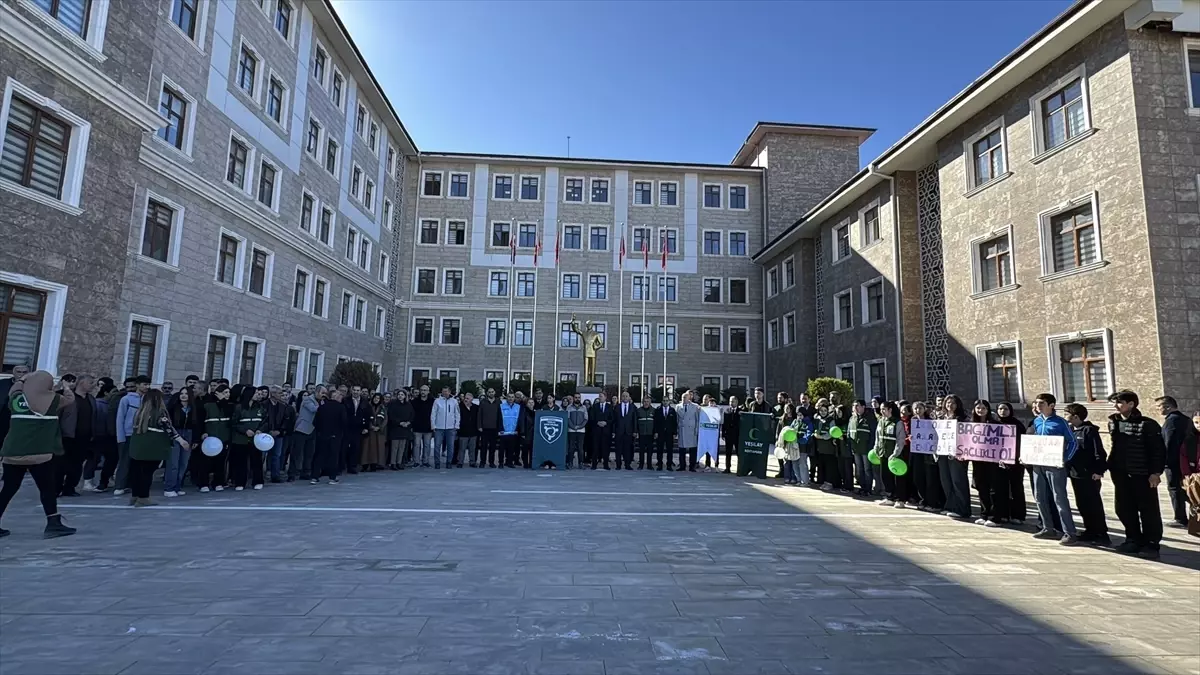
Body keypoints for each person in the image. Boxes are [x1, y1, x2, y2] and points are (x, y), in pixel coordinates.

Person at [0, 370, 77, 538]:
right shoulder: (53, 400)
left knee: (8, 489)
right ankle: (53, 523)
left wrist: (22, 380)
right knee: (47, 489)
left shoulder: (16, 398)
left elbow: (15, 389)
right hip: (39, 454)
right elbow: (70, 400)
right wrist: (65, 387)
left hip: (12, 452)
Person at [1107, 390, 1166, 559]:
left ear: (1131, 404)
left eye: (1119, 402)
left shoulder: (1148, 424)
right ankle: (1133, 538)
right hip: (1121, 473)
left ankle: (1151, 543)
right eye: (1114, 402)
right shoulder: (1114, 422)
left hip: (1142, 473)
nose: (1115, 406)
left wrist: (1155, 472)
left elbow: (1158, 451)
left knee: (1148, 510)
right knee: (1123, 508)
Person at [1030, 393, 1079, 545]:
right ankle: (1047, 527)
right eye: (1037, 403)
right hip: (1038, 464)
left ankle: (1069, 532)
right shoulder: (1037, 421)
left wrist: (1064, 459)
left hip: (1055, 465)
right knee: (1039, 496)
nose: (1038, 406)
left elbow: (1073, 442)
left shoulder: (1061, 422)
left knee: (1059, 498)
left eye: (1042, 403)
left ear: (1051, 405)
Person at [127, 389, 188, 507]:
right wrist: (181, 441)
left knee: (137, 472)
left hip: (138, 448)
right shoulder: (159, 413)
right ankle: (144, 497)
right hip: (153, 448)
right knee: (147, 473)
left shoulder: (140, 413)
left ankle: (135, 496)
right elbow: (168, 428)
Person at [1064, 403, 1110, 545]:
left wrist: (1098, 471)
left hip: (1089, 474)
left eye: (1067, 414)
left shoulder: (1089, 431)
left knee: (1093, 504)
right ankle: (1089, 530)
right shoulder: (1071, 430)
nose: (1065, 417)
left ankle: (1101, 533)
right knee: (1082, 504)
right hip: (1075, 473)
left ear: (1075, 416)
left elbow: (1099, 452)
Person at [1157, 396, 1198, 529]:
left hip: (1174, 462)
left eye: (1159, 406)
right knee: (1189, 488)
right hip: (1186, 461)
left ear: (1168, 407)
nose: (1157, 409)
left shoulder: (1171, 422)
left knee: (1175, 489)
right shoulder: (1185, 419)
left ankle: (1180, 518)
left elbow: (1168, 443)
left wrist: (1164, 462)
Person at [56, 374, 94, 497]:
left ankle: (70, 487)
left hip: (84, 438)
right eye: (90, 382)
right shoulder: (67, 397)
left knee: (77, 465)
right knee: (61, 464)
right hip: (68, 436)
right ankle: (56, 488)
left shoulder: (91, 399)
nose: (93, 385)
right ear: (82, 383)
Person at [113, 375, 150, 496]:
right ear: (138, 385)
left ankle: (132, 484)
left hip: (142, 435)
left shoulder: (148, 399)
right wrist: (120, 437)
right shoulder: (126, 399)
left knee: (138, 462)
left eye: (148, 384)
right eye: (144, 384)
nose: (146, 387)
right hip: (128, 434)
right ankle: (119, 485)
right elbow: (120, 418)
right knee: (124, 461)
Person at [164, 387, 202, 497]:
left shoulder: (193, 409)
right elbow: (168, 424)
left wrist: (195, 439)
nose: (183, 395)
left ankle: (178, 486)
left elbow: (196, 425)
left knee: (183, 463)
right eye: (182, 393)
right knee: (173, 463)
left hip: (189, 434)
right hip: (176, 434)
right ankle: (169, 487)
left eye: (186, 394)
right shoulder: (173, 408)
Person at [992, 402, 1026, 525]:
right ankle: (1003, 514)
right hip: (998, 463)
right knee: (1001, 489)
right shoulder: (994, 425)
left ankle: (1018, 515)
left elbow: (1022, 442)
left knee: (1016, 488)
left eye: (1005, 409)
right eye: (1000, 408)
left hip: (1015, 463)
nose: (1003, 411)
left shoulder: (1017, 425)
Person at [939, 395, 972, 520]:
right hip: (943, 453)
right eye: (948, 402)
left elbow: (968, 437)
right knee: (946, 480)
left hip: (958, 455)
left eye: (953, 403)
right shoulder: (941, 418)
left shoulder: (963, 419)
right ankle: (951, 506)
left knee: (958, 481)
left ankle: (963, 509)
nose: (950, 405)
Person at [83, 377, 118, 492]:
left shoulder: (111, 405)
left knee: (110, 459)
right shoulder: (98, 404)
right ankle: (87, 481)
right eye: (113, 393)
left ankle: (107, 478)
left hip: (108, 436)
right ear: (106, 393)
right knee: (94, 458)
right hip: (97, 436)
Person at [229, 386, 267, 491]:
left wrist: (260, 430)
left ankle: (258, 481)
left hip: (256, 439)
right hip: (240, 439)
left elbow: (265, 421)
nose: (258, 395)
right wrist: (245, 430)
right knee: (241, 462)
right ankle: (240, 482)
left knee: (257, 461)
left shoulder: (260, 407)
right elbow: (233, 423)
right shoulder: (239, 407)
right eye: (256, 393)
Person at [197, 384, 233, 492]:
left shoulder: (229, 405)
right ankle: (203, 483)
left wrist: (223, 401)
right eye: (225, 392)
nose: (227, 395)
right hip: (209, 437)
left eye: (228, 392)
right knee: (205, 462)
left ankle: (218, 482)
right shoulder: (207, 405)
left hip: (223, 437)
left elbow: (229, 414)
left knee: (220, 462)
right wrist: (202, 432)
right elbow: (200, 421)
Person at [970, 399, 998, 525]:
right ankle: (984, 513)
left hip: (992, 460)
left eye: (983, 408)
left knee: (993, 488)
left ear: (988, 410)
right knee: (981, 487)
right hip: (978, 460)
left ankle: (994, 516)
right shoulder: (970, 425)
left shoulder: (994, 424)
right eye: (978, 408)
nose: (980, 410)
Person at [911, 401, 943, 511]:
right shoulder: (913, 421)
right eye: (915, 408)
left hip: (928, 454)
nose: (917, 410)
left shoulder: (931, 421)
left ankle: (932, 502)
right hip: (917, 453)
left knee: (930, 479)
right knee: (917, 478)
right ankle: (923, 499)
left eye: (920, 408)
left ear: (924, 409)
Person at [312, 387, 346, 484]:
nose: (341, 397)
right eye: (339, 395)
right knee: (333, 456)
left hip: (322, 435)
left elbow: (315, 422)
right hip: (335, 435)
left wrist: (320, 431)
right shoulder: (341, 407)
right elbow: (344, 422)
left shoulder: (322, 407)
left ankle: (314, 477)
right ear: (335, 397)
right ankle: (332, 477)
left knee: (320, 456)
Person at [265, 385, 296, 482]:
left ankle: (275, 475)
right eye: (279, 393)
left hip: (279, 434)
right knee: (262, 455)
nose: (282, 395)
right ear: (273, 394)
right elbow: (263, 419)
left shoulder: (283, 406)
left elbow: (285, 420)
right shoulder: (263, 405)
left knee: (277, 455)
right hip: (265, 434)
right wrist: (268, 430)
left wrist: (280, 431)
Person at [848, 399, 876, 497]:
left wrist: (871, 447)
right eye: (854, 406)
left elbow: (873, 434)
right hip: (856, 448)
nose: (856, 408)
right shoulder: (852, 418)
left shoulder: (870, 418)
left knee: (867, 469)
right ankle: (862, 487)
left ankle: (868, 489)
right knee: (859, 469)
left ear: (863, 407)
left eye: (858, 406)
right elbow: (849, 433)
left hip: (866, 448)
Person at [0, 364, 31, 447]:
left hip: (21, 418)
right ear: (13, 373)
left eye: (24, 372)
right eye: (19, 372)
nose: (21, 374)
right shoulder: (3, 383)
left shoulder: (32, 386)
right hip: (3, 415)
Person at [292, 389, 319, 480]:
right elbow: (313, 409)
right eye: (322, 393)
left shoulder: (317, 401)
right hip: (302, 429)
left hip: (312, 429)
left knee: (309, 453)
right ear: (317, 392)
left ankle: (306, 472)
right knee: (297, 453)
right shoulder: (308, 399)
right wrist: (325, 405)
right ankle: (292, 473)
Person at [812, 399, 839, 490]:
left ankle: (829, 483)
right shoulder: (818, 419)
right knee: (822, 465)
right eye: (821, 411)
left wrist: (822, 437)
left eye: (825, 410)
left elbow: (832, 433)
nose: (823, 412)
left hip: (828, 447)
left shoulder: (831, 420)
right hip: (820, 447)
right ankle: (824, 482)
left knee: (829, 466)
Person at [430, 386, 459, 469]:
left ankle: (449, 462)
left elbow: (457, 414)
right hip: (439, 427)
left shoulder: (454, 401)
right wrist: (433, 425)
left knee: (450, 446)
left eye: (446, 391)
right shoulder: (437, 401)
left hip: (451, 428)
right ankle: (437, 462)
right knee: (437, 446)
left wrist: (456, 425)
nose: (445, 393)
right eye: (443, 391)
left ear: (449, 392)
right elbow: (433, 414)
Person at [343, 386, 370, 474]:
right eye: (354, 390)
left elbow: (367, 415)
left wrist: (366, 427)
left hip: (358, 428)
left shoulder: (364, 402)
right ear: (351, 391)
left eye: (358, 390)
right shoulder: (346, 400)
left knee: (356, 447)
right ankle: (342, 465)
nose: (356, 392)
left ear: (361, 391)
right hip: (347, 427)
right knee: (344, 447)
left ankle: (352, 466)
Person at [386, 389, 413, 470]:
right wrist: (399, 423)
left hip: (405, 429)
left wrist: (408, 422)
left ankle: (399, 462)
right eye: (399, 394)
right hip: (395, 428)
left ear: (405, 396)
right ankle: (393, 463)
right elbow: (391, 415)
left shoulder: (408, 405)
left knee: (402, 447)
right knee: (395, 447)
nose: (400, 396)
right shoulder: (393, 404)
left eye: (402, 394)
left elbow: (412, 414)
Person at [361, 393, 388, 471]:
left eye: (378, 398)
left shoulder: (382, 408)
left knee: (376, 449)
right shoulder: (368, 406)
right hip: (369, 431)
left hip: (378, 431)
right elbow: (365, 417)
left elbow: (385, 419)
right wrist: (371, 426)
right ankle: (365, 465)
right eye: (375, 398)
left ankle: (374, 465)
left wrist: (380, 427)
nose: (376, 400)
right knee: (366, 448)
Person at [676, 390, 701, 472]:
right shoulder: (678, 406)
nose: (683, 399)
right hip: (682, 429)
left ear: (689, 398)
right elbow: (677, 419)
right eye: (682, 397)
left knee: (692, 449)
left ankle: (692, 466)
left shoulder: (695, 406)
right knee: (681, 449)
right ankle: (682, 466)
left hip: (691, 429)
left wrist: (697, 429)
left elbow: (698, 419)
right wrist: (676, 430)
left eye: (685, 397)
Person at [612, 391, 636, 470]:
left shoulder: (633, 407)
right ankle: (618, 465)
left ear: (629, 398)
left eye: (626, 396)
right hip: (619, 432)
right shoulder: (617, 407)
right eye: (623, 396)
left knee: (627, 449)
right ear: (621, 398)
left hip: (628, 432)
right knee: (618, 449)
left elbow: (634, 420)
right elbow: (614, 420)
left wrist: (635, 431)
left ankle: (627, 465)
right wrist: (613, 431)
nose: (625, 398)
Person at [589, 392, 613, 470]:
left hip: (606, 431)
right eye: (599, 396)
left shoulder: (610, 407)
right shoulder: (595, 406)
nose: (600, 398)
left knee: (605, 448)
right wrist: (597, 422)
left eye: (601, 396)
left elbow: (612, 418)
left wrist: (606, 422)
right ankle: (594, 465)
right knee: (595, 448)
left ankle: (606, 464)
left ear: (605, 397)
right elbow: (591, 417)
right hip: (597, 431)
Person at [478, 387, 501, 468]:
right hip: (484, 428)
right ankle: (482, 462)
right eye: (489, 392)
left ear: (494, 392)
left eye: (492, 392)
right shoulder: (483, 402)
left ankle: (491, 462)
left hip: (494, 428)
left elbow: (500, 415)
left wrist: (499, 427)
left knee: (493, 447)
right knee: (483, 446)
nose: (491, 393)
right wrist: (479, 426)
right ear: (487, 393)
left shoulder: (498, 402)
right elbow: (479, 414)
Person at [654, 395, 678, 471]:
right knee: (659, 449)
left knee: (669, 450)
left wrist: (674, 433)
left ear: (669, 401)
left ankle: (669, 465)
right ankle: (660, 464)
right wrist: (656, 432)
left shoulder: (672, 410)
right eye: (664, 401)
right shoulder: (658, 410)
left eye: (666, 400)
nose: (665, 402)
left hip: (669, 433)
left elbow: (675, 422)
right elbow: (655, 422)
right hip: (660, 433)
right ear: (662, 401)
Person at [458, 391, 480, 467]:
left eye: (468, 398)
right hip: (463, 431)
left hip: (473, 431)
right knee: (462, 448)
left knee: (472, 449)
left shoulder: (476, 407)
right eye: (465, 398)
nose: (466, 400)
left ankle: (472, 462)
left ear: (471, 399)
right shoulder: (460, 406)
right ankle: (460, 462)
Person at [634, 395, 656, 470]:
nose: (646, 403)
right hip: (641, 434)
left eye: (647, 401)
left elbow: (656, 423)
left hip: (650, 434)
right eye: (644, 401)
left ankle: (649, 465)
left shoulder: (654, 410)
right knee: (641, 450)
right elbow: (635, 422)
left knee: (650, 450)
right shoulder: (638, 411)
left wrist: (655, 432)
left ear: (650, 402)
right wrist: (636, 432)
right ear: (642, 402)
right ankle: (641, 465)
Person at [499, 392, 521, 468]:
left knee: (511, 448)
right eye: (509, 397)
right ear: (506, 398)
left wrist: (517, 429)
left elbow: (519, 419)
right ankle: (501, 463)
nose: (511, 398)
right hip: (504, 431)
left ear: (514, 398)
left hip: (513, 431)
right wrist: (500, 428)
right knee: (502, 449)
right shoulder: (501, 406)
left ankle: (509, 462)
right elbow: (499, 418)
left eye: (512, 397)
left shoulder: (518, 407)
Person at [721, 396, 741, 474]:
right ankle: (727, 468)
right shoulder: (727, 411)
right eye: (730, 401)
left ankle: (739, 468)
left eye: (732, 401)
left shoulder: (740, 411)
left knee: (738, 452)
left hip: (737, 435)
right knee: (728, 452)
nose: (731, 403)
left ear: (736, 402)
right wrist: (723, 433)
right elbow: (724, 423)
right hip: (728, 435)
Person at [518, 397, 537, 468]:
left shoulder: (536, 412)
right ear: (526, 404)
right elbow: (521, 422)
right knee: (525, 449)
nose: (531, 404)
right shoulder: (524, 412)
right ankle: (525, 463)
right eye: (529, 403)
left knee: (532, 449)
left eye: (532, 402)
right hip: (526, 433)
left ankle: (532, 463)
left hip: (534, 433)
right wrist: (522, 433)